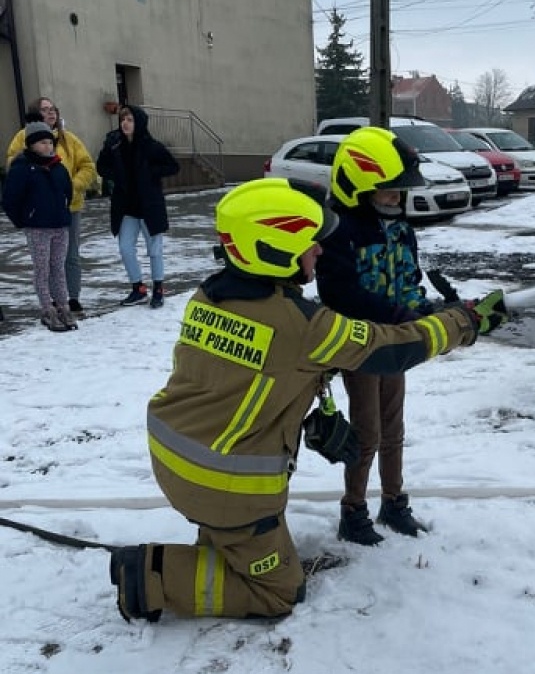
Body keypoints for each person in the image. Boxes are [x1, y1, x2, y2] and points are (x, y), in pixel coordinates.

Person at [108, 175, 508, 623]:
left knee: (237, 541)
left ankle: (221, 537)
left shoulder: (210, 295)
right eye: (310, 242)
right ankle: (149, 575)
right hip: (224, 486)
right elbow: (394, 348)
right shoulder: (301, 325)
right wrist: (463, 323)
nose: (320, 250)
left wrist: (306, 415)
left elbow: (258, 374)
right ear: (273, 249)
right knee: (280, 591)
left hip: (178, 457)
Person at [316, 125, 437, 545]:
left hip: (395, 342)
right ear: (359, 187)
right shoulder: (339, 232)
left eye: (400, 192)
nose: (396, 199)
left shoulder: (401, 229)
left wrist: (422, 308)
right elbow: (340, 294)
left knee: (393, 426)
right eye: (388, 191)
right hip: (361, 345)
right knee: (367, 431)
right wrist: (395, 312)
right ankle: (353, 510)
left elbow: (408, 276)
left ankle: (393, 501)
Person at [6, 96, 97, 317]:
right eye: (45, 109)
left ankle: (70, 299)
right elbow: (13, 169)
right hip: (38, 215)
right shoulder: (23, 137)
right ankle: (49, 304)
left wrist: (74, 186)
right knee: (43, 263)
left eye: (53, 109)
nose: (51, 113)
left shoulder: (68, 139)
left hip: (66, 209)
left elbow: (86, 165)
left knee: (69, 257)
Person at [96, 104, 179, 308]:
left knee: (154, 250)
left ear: (139, 123)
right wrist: (115, 175)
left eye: (130, 119)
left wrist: (151, 172)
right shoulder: (115, 144)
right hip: (126, 208)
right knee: (125, 248)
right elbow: (101, 166)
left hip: (149, 206)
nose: (125, 123)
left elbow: (173, 166)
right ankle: (138, 288)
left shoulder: (151, 146)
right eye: (123, 119)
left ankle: (158, 288)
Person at [2, 121, 78, 331]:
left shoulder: (58, 167)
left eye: (50, 142)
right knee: (42, 269)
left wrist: (63, 209)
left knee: (58, 268)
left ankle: (62, 305)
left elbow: (68, 191)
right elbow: (10, 199)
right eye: (43, 143)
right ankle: (47, 309)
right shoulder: (23, 168)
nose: (48, 146)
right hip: (37, 228)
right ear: (32, 145)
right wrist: (24, 219)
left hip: (60, 226)